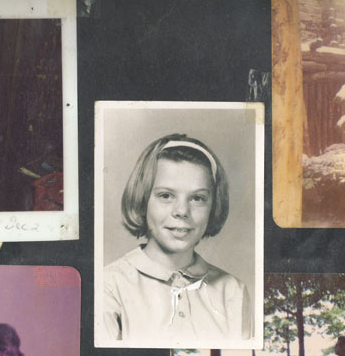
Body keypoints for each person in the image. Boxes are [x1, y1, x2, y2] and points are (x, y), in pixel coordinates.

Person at [101, 134, 252, 344]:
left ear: (213, 206)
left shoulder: (233, 291)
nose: (182, 211)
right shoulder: (107, 286)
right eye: (166, 196)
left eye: (197, 198)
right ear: (143, 199)